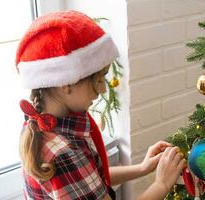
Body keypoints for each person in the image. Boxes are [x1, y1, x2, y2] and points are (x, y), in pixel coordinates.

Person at [16, 10, 186, 200]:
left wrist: (142, 168)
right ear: (67, 83)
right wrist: (161, 184)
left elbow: (90, 178)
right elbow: (79, 170)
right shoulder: (62, 153)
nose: (103, 89)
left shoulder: (44, 125)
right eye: (97, 81)